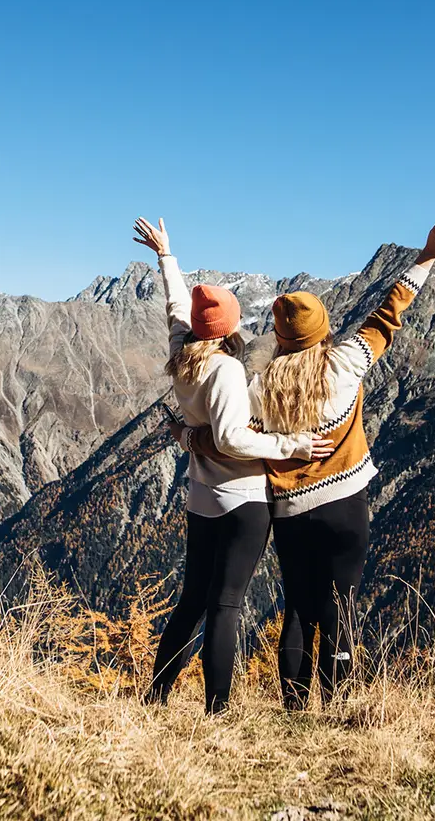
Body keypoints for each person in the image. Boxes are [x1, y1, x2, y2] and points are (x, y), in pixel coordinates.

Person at [180, 214, 435, 709]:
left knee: (296, 611)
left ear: (280, 338)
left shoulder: (261, 388)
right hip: (346, 505)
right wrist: (427, 256)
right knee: (341, 607)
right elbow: (387, 313)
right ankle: (338, 704)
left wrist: (188, 435)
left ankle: (294, 705)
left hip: (288, 510)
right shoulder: (349, 359)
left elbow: (231, 438)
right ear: (323, 330)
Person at [131, 217, 330, 714]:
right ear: (232, 328)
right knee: (226, 605)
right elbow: (233, 438)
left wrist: (166, 255)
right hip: (242, 500)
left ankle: (157, 695)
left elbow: (178, 306)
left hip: (201, 498)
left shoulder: (182, 352)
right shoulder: (224, 368)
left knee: (192, 599)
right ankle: (216, 710)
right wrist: (293, 446)